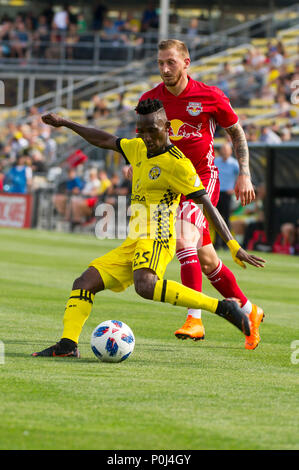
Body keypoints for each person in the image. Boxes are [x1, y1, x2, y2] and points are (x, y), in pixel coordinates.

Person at [32, 99, 265, 357]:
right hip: (134, 239)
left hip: (159, 236)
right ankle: (67, 345)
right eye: (141, 131)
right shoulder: (137, 148)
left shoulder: (178, 164)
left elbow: (207, 205)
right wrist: (66, 123)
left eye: (152, 130)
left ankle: (222, 307)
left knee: (145, 285)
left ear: (166, 126)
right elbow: (106, 140)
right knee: (84, 282)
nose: (146, 137)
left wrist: (232, 244)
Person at [138, 39, 263, 350]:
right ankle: (250, 311)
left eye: (171, 62)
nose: (165, 69)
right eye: (160, 63)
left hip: (201, 180)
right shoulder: (151, 99)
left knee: (182, 239)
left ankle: (195, 318)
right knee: (207, 260)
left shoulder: (209, 96)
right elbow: (143, 136)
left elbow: (236, 131)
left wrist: (244, 172)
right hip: (169, 185)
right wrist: (136, 162)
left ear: (186, 62)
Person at [214, 142, 239, 248]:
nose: (224, 152)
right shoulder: (216, 161)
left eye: (226, 150)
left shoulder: (234, 163)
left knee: (226, 219)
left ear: (230, 151)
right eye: (223, 149)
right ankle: (217, 243)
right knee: (215, 218)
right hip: (217, 193)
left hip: (227, 194)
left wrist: (234, 188)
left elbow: (241, 176)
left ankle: (227, 244)